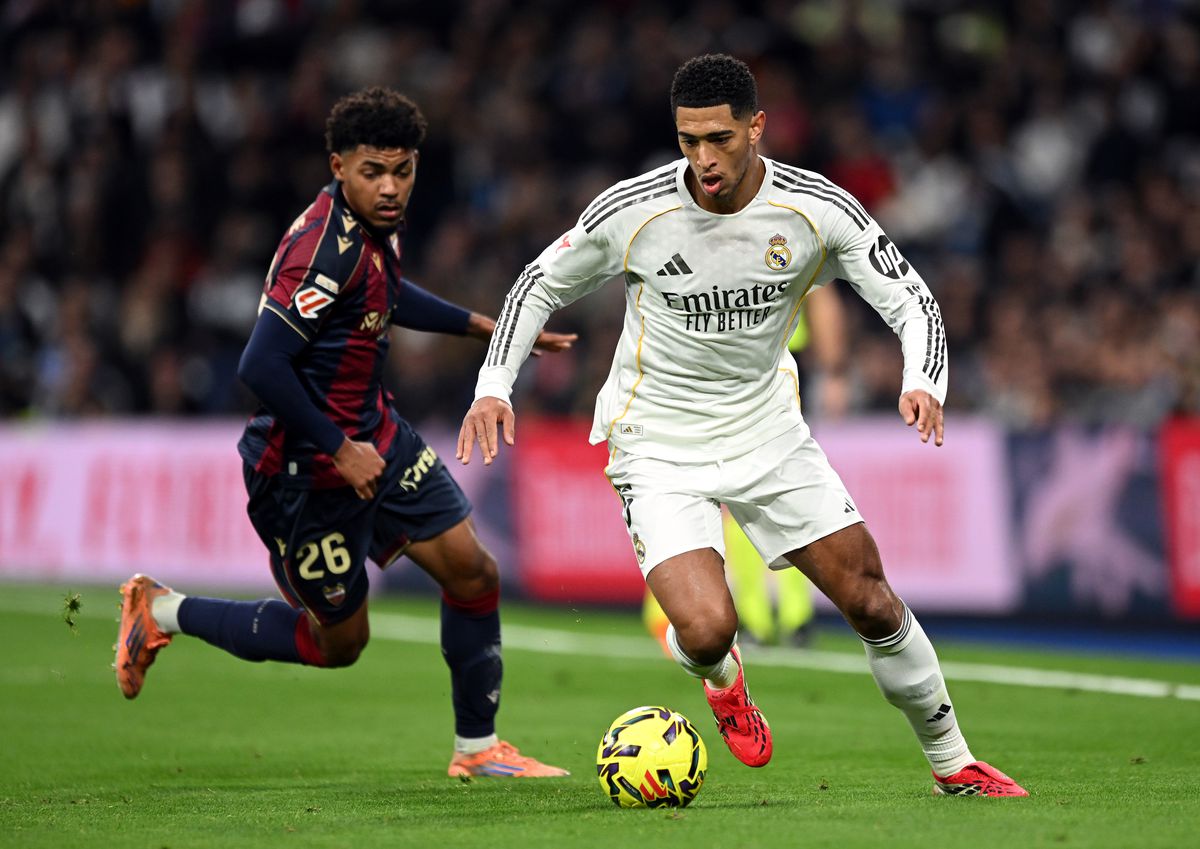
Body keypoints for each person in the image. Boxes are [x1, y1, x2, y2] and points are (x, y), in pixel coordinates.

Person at [459, 55, 1026, 797]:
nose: (701, 158)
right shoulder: (635, 211)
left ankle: (955, 763)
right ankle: (725, 682)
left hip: (768, 432)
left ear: (756, 127)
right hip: (658, 441)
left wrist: (923, 378)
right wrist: (494, 383)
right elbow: (540, 282)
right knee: (703, 630)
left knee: (872, 599)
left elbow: (910, 297)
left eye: (718, 138)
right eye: (687, 140)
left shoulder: (815, 208)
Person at [115, 86, 573, 779]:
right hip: (304, 470)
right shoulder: (320, 251)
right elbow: (260, 363)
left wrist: (481, 325)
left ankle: (477, 749)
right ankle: (162, 610)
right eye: (373, 172)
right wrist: (336, 445)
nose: (391, 188)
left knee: (474, 571)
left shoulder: (371, 229)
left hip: (376, 435)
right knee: (339, 643)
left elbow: (387, 292)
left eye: (404, 170)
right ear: (338, 165)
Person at [642, 284, 848, 651]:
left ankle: (782, 618)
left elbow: (821, 293)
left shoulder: (780, 231)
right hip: (738, 367)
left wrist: (833, 371)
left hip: (775, 366)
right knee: (756, 495)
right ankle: (777, 619)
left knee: (764, 494)